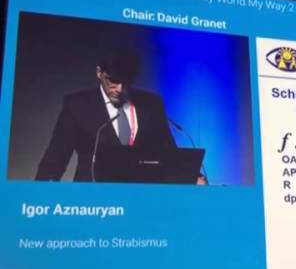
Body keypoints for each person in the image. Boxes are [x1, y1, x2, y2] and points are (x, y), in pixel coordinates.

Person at [35, 48, 205, 184]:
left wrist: (192, 178)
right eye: (113, 81)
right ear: (99, 73)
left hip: (140, 199)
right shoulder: (77, 105)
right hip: (92, 201)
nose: (119, 89)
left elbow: (169, 153)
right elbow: (55, 160)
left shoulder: (151, 104)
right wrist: (41, 197)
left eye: (126, 82)